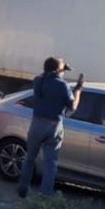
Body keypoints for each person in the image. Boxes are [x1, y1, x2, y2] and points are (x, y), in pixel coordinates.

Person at [17, 57, 82, 198]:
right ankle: (44, 196)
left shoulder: (38, 81)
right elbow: (73, 107)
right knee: (50, 164)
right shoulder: (62, 85)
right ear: (58, 70)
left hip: (36, 123)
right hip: (53, 126)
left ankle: (23, 189)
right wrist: (77, 91)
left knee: (29, 158)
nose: (63, 72)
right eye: (63, 69)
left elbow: (46, 82)